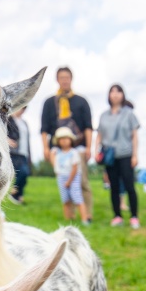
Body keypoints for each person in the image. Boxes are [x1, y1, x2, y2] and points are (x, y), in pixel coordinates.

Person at [40, 67, 94, 219]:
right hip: (57, 150)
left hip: (79, 147)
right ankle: (71, 216)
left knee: (82, 181)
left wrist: (89, 147)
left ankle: (87, 214)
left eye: (67, 77)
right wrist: (45, 147)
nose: (64, 80)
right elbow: (44, 128)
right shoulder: (49, 103)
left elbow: (88, 126)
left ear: (71, 79)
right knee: (64, 180)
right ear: (57, 80)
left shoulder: (81, 101)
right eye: (61, 77)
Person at [96, 84, 141, 229]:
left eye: (118, 91)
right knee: (113, 187)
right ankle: (117, 216)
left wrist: (135, 155)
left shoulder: (128, 114)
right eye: (112, 92)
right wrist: (96, 150)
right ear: (108, 95)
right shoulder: (104, 115)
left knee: (129, 185)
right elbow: (100, 135)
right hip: (110, 156)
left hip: (126, 154)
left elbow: (134, 136)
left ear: (123, 95)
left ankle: (134, 216)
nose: (115, 94)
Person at [51, 127, 89, 225]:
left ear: (71, 139)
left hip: (73, 178)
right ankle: (68, 219)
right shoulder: (57, 154)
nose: (64, 141)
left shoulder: (74, 153)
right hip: (61, 178)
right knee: (65, 199)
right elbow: (56, 166)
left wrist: (69, 181)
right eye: (61, 139)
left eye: (66, 138)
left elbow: (75, 168)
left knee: (77, 198)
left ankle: (85, 219)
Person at [7, 106, 31, 205]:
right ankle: (14, 192)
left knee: (25, 175)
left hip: (24, 152)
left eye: (24, 108)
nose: (22, 110)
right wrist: (6, 140)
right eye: (21, 108)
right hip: (14, 152)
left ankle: (19, 196)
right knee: (23, 172)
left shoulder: (24, 122)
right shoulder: (8, 119)